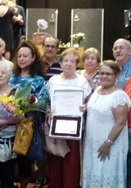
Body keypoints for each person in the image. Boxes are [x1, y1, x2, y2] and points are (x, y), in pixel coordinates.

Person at [46, 48, 92, 188]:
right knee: (55, 162)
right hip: (55, 127)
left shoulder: (82, 81)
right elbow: (47, 101)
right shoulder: (53, 81)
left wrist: (86, 106)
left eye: (72, 61)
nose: (69, 64)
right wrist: (49, 113)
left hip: (74, 128)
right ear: (61, 63)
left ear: (77, 64)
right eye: (66, 61)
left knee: (71, 165)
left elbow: (90, 100)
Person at [82, 60, 131, 188]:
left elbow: (121, 123)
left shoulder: (119, 96)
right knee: (94, 172)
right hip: (92, 142)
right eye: (102, 73)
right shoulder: (98, 89)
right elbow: (96, 107)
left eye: (109, 74)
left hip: (109, 143)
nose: (104, 76)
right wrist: (85, 106)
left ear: (116, 76)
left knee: (106, 172)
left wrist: (108, 143)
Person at [9, 40, 48, 188]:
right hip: (9, 125)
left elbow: (43, 103)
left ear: (33, 58)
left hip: (27, 126)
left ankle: (24, 185)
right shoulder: (11, 78)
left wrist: (28, 102)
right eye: (19, 56)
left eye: (25, 56)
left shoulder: (38, 80)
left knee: (25, 159)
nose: (22, 59)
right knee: (9, 159)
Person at [34, 36, 62, 188]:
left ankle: (54, 177)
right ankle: (40, 176)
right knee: (39, 145)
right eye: (47, 46)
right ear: (42, 47)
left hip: (57, 109)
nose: (50, 49)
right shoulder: (36, 65)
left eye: (53, 46)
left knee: (53, 144)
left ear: (57, 48)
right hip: (38, 109)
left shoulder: (63, 65)